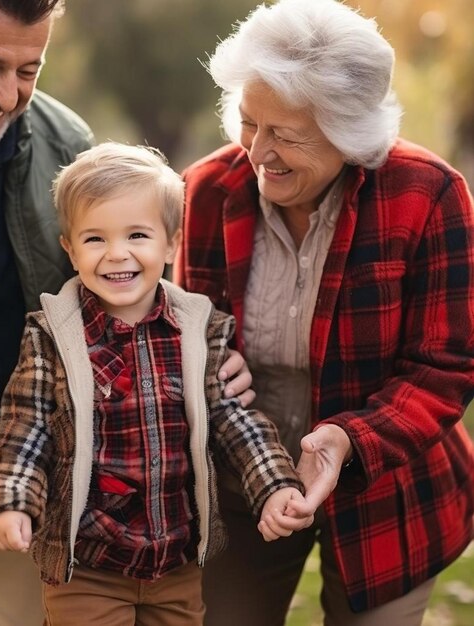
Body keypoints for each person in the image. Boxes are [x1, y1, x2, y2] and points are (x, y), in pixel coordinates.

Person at [0, 3, 252, 622]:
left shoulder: (67, 142)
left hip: (38, 467)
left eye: (29, 70)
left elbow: (114, 296)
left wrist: (203, 359)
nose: (8, 96)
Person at [173, 0, 474, 624]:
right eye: (250, 122)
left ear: (349, 134)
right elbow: (186, 330)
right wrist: (206, 364)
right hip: (243, 476)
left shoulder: (429, 195)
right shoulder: (207, 190)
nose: (259, 153)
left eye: (288, 135)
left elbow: (444, 366)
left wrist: (346, 439)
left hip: (387, 488)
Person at [0, 142, 313, 626]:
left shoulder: (200, 329)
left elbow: (235, 421)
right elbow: (25, 429)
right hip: (89, 565)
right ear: (70, 249)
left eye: (137, 234)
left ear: (171, 243)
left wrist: (274, 485)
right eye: (95, 239)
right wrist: (12, 502)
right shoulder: (53, 335)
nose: (117, 254)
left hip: (175, 563)